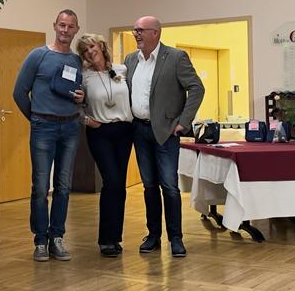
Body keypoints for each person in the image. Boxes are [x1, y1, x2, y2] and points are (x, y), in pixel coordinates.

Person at [124, 16, 204, 257]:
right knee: (149, 186)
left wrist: (183, 122)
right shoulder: (130, 60)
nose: (136, 34)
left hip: (166, 132)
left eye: (141, 30)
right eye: (134, 30)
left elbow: (197, 88)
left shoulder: (176, 57)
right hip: (139, 131)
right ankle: (153, 236)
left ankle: (176, 238)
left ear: (156, 33)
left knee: (169, 186)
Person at [13, 9, 84, 261]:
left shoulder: (77, 61)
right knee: (41, 187)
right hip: (43, 127)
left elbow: (80, 93)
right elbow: (19, 92)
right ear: (55, 26)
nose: (65, 30)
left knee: (63, 187)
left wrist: (81, 98)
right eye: (62, 25)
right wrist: (36, 118)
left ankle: (57, 238)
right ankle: (40, 240)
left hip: (71, 129)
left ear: (76, 30)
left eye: (70, 26)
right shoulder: (38, 56)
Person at [75, 34, 134, 258]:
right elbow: (72, 102)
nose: (90, 52)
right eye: (85, 50)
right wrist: (85, 119)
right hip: (100, 133)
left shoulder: (122, 70)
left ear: (100, 46)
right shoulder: (84, 77)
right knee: (112, 181)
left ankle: (115, 237)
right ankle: (106, 240)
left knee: (120, 185)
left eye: (92, 46)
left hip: (124, 131)